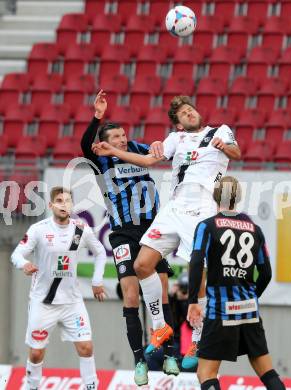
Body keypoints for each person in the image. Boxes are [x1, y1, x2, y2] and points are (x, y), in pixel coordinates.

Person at [92, 95, 241, 370]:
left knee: (202, 270)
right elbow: (148, 160)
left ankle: (197, 339)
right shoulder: (176, 139)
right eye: (183, 114)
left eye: (190, 110)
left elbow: (236, 154)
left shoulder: (218, 131)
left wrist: (225, 146)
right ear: (179, 124)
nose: (188, 114)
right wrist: (114, 152)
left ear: (197, 112)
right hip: (174, 206)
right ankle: (160, 327)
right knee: (142, 265)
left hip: (203, 205)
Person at [81, 90, 179, 386]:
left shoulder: (136, 148)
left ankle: (170, 353)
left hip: (153, 229)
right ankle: (139, 361)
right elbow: (85, 144)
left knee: (163, 292)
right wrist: (97, 116)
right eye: (117, 138)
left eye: (124, 135)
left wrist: (161, 143)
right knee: (132, 296)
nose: (123, 140)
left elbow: (157, 154)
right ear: (104, 144)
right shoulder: (101, 160)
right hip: (123, 232)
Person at [187, 176, 286, 390]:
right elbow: (266, 273)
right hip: (250, 311)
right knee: (267, 371)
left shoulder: (207, 226)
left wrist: (193, 300)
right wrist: (249, 297)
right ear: (238, 197)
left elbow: (196, 261)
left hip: (220, 312)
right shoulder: (255, 229)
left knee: (206, 373)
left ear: (215, 197)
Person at [11, 187, 107, 390]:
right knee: (36, 353)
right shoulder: (39, 229)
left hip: (72, 302)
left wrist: (97, 281)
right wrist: (24, 264)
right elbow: (16, 255)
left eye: (68, 201)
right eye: (60, 201)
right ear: (51, 205)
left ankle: (92, 387)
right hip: (43, 302)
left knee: (86, 347)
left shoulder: (80, 229)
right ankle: (31, 387)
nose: (65, 205)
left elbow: (99, 252)